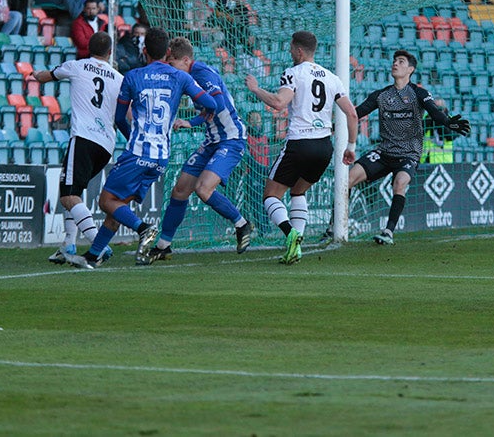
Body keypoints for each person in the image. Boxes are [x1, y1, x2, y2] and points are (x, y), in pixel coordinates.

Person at [67, 27, 219, 268]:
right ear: (168, 52)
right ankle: (93, 256)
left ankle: (144, 228)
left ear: (144, 51)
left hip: (138, 152)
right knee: (118, 205)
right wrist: (202, 117)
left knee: (106, 201)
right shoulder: (181, 77)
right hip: (161, 158)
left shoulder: (133, 76)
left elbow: (119, 118)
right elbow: (211, 102)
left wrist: (131, 138)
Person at [244, 31, 358, 264]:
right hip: (324, 147)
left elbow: (278, 103)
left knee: (270, 196)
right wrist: (351, 146)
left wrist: (255, 89)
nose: (288, 52)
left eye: (290, 48)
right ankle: (295, 249)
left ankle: (290, 232)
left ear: (298, 50)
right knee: (298, 191)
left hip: (299, 143)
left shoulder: (293, 73)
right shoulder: (332, 77)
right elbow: (352, 113)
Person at [332, 50, 468, 246]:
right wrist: (335, 126)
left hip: (408, 154)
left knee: (400, 183)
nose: (395, 64)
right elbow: (358, 113)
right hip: (384, 152)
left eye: (401, 61)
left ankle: (388, 231)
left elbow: (434, 113)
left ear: (410, 69)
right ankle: (334, 227)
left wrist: (448, 122)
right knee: (346, 180)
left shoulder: (418, 93)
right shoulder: (381, 95)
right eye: (394, 61)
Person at [146, 37, 254, 260]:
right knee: (180, 189)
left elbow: (219, 104)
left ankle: (242, 224)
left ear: (186, 60)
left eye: (173, 63)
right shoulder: (187, 75)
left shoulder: (203, 74)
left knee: (203, 190)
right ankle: (164, 244)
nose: (172, 68)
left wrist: (191, 122)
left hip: (231, 139)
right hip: (212, 140)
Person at [35, 32, 122, 265]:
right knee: (74, 191)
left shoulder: (77, 66)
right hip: (106, 145)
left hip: (84, 137)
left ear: (87, 49)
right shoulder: (118, 77)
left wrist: (34, 74)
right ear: (110, 53)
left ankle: (98, 244)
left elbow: (45, 77)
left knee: (68, 195)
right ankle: (68, 244)